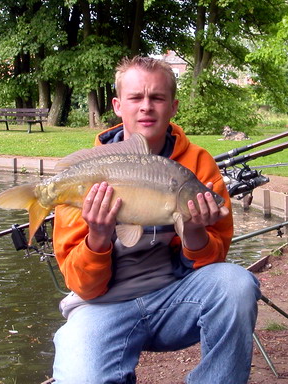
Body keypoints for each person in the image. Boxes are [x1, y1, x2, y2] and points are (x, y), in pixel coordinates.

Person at [51, 56, 261, 384]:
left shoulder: (198, 165)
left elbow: (215, 260)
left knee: (236, 284)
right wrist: (98, 237)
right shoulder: (87, 175)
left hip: (175, 298)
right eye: (136, 98)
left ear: (173, 107)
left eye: (157, 98)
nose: (146, 107)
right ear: (118, 106)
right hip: (103, 306)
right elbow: (82, 285)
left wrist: (194, 232)